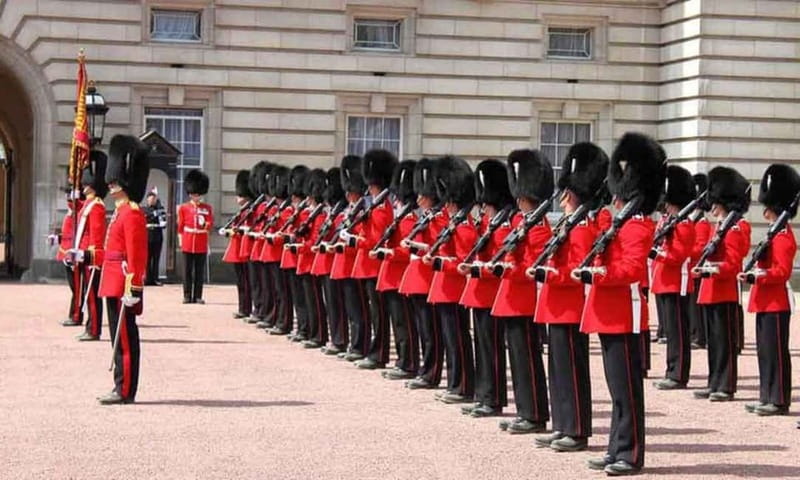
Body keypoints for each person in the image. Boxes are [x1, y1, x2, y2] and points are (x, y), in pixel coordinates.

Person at [578, 132, 665, 475]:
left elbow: (629, 269)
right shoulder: (614, 223)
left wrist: (597, 275)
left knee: (628, 390)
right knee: (615, 388)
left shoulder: (639, 227)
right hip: (606, 311)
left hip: (625, 313)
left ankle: (631, 453)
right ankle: (615, 446)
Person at [532, 142, 608, 452]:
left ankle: (576, 429)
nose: (563, 199)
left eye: (567, 193)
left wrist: (551, 275)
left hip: (570, 305)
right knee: (558, 370)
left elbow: (577, 268)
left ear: (575, 194)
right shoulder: (569, 223)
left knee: (572, 371)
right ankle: (562, 423)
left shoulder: (582, 227)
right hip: (556, 305)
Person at [488, 149, 552, 435]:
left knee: (527, 360)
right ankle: (524, 411)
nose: (518, 200)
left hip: (523, 299)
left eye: (522, 195)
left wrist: (509, 265)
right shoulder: (520, 222)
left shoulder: (538, 227)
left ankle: (535, 414)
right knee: (517, 359)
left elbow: (532, 264)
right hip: (511, 298)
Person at [740, 164, 799, 416]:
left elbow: (781, 272)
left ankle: (778, 399)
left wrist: (756, 276)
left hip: (776, 302)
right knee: (765, 353)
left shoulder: (784, 236)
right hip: (765, 301)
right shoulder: (774, 234)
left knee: (775, 352)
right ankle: (767, 395)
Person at [97, 134, 149, 405]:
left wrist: (135, 288)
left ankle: (125, 388)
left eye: (115, 180)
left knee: (125, 339)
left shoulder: (132, 213)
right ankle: (120, 383)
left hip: (124, 283)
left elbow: (137, 254)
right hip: (113, 280)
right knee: (117, 337)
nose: (111, 183)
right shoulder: (119, 211)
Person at [459, 159, 513, 417]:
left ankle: (493, 398)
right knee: (482, 347)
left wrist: (478, 269)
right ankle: (483, 394)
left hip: (491, 293)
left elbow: (500, 264)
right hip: (479, 293)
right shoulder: (487, 223)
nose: (483, 207)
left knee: (491, 349)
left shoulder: (502, 226)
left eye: (485, 202)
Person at [693, 166, 751, 403]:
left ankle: (725, 385)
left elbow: (734, 261)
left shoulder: (737, 227)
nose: (712, 206)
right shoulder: (719, 226)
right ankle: (714, 381)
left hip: (724, 290)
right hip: (710, 290)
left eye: (716, 202)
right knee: (714, 343)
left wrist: (711, 270)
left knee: (725, 342)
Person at [425, 156, 477, 402]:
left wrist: (438, 261)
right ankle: (454, 383)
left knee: (457, 338)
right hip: (444, 287)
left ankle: (463, 385)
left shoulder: (464, 224)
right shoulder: (452, 221)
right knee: (449, 338)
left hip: (454, 288)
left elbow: (463, 261)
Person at [347, 150, 396, 370]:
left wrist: (355, 239)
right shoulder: (374, 205)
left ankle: (379, 354)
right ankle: (372, 350)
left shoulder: (383, 207)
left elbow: (375, 239)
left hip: (375, 266)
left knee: (379, 315)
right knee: (372, 312)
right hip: (369, 266)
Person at [401, 158, 447, 390]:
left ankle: (431, 373)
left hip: (428, 277)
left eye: (423, 194)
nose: (418, 199)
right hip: (417, 277)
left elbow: (438, 247)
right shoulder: (426, 216)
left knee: (431, 332)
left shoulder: (439, 218)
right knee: (423, 330)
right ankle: (424, 370)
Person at [372, 160, 420, 380]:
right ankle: (403, 360)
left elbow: (407, 249)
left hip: (400, 275)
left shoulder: (408, 217)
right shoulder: (399, 215)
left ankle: (408, 362)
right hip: (392, 274)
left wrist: (389, 253)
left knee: (404, 324)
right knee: (398, 322)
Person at [651, 166, 696, 390]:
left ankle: (678, 374)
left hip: (676, 282)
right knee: (670, 330)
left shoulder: (684, 224)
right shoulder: (669, 221)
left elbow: (677, 256)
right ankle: (671, 369)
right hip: (664, 281)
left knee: (678, 330)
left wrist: (656, 253)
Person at [70, 150, 108, 341]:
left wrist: (92, 257)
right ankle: (89, 325)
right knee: (87, 292)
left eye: (87, 183)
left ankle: (94, 329)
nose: (84, 186)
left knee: (92, 296)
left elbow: (97, 235)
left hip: (91, 256)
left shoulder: (97, 206)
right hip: (82, 254)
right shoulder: (88, 204)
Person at [221, 169, 256, 319]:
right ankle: (243, 308)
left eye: (240, 195)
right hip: (238, 249)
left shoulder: (252, 211)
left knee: (248, 282)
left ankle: (248, 308)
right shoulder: (241, 211)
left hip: (246, 249)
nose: (237, 198)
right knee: (241, 282)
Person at [177, 169, 213, 304]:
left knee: (199, 271)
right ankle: (187, 295)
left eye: (197, 194)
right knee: (187, 271)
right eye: (193, 194)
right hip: (188, 240)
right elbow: (180, 226)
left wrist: (206, 225)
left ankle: (197, 296)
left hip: (201, 242)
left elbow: (210, 222)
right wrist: (181, 240)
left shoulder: (207, 208)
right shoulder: (183, 208)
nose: (195, 197)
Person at [688, 174, 711, 349]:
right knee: (691, 305)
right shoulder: (691, 220)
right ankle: (694, 333)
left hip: (695, 267)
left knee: (696, 306)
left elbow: (700, 247)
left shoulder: (701, 222)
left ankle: (699, 336)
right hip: (688, 269)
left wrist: (685, 254)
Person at [55, 188, 83, 327]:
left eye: (70, 198)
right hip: (66, 252)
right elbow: (67, 235)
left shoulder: (78, 213)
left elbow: (76, 237)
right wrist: (57, 238)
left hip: (73, 254)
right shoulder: (71, 213)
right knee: (75, 288)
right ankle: (74, 314)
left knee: (77, 288)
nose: (68, 201)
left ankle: (76, 315)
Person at [143, 189, 166, 286]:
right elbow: (145, 217)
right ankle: (147, 278)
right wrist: (154, 214)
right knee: (147, 259)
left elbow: (163, 223)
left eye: (154, 199)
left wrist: (159, 213)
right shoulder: (144, 209)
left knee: (156, 258)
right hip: (147, 235)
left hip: (157, 235)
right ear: (147, 199)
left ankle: (155, 278)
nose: (152, 200)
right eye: (151, 199)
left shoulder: (160, 209)